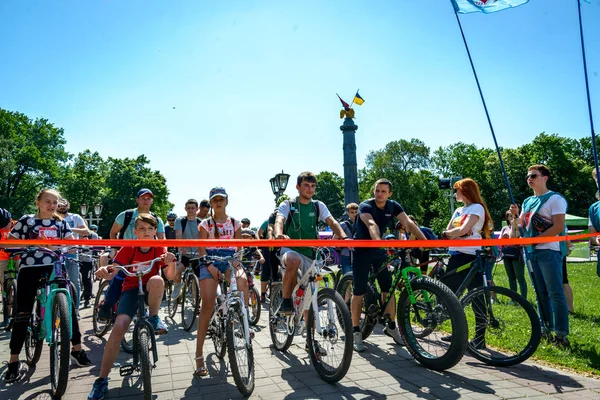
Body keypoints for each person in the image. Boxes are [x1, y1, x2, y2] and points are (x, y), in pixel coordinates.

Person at [4, 189, 91, 384]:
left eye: (55, 202)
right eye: (48, 201)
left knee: (68, 305)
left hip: (55, 267)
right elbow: (11, 242)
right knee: (23, 312)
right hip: (30, 266)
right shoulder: (27, 221)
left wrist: (65, 247)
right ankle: (14, 360)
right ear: (38, 202)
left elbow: (71, 243)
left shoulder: (61, 222)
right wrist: (30, 245)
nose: (51, 205)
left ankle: (76, 348)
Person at [88, 213, 176, 399]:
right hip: (130, 289)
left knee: (158, 279)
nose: (146, 232)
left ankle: (153, 318)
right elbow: (115, 270)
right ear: (135, 231)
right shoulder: (129, 247)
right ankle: (101, 380)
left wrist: (170, 261)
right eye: (142, 229)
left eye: (150, 229)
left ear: (155, 232)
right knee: (119, 327)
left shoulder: (159, 247)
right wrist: (104, 269)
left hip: (150, 290)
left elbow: (170, 276)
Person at [351, 178, 427, 353]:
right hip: (362, 249)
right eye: (377, 190)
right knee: (359, 290)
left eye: (383, 191)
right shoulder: (365, 206)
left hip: (378, 251)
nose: (379, 194)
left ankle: (391, 325)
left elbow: (408, 223)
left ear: (389, 194)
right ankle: (356, 331)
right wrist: (378, 241)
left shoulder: (393, 206)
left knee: (388, 287)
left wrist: (425, 241)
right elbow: (371, 224)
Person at [509, 164, 570, 348]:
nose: (529, 179)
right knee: (539, 292)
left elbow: (558, 227)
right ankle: (545, 328)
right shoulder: (527, 202)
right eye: (528, 176)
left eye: (533, 175)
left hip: (549, 251)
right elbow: (521, 229)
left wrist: (535, 241)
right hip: (531, 253)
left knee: (555, 292)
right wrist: (515, 216)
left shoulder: (555, 199)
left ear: (545, 177)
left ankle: (561, 335)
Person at [274, 172, 348, 316]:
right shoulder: (288, 204)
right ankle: (286, 301)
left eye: (313, 186)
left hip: (311, 253)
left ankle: (310, 335)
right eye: (306, 185)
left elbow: (332, 221)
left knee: (310, 298)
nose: (310, 189)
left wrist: (344, 237)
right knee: (294, 260)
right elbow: (279, 220)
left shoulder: (318, 206)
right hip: (290, 249)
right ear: (298, 187)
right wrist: (278, 234)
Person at [194, 187, 248, 377]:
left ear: (227, 201)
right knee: (207, 304)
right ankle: (199, 354)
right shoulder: (205, 225)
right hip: (210, 260)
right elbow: (201, 250)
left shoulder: (235, 223)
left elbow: (239, 248)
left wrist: (236, 260)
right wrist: (209, 266)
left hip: (229, 259)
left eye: (221, 199)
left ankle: (243, 320)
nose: (218, 202)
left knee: (242, 280)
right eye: (215, 199)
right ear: (211, 203)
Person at [98, 188, 166, 322]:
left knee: (154, 281)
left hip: (146, 255)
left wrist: (162, 254)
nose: (146, 201)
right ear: (137, 200)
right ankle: (107, 305)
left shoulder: (156, 219)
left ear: (152, 201)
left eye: (148, 198)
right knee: (118, 278)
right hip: (127, 254)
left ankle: (151, 312)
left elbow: (162, 240)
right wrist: (116, 248)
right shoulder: (126, 215)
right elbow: (113, 233)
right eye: (143, 198)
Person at [57, 197, 90, 313]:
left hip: (71, 253)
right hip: (55, 254)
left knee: (74, 281)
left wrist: (70, 229)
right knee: (54, 282)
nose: (62, 207)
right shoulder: (53, 218)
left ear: (68, 206)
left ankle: (75, 309)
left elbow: (87, 231)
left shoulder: (75, 217)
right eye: (59, 205)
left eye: (64, 205)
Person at [171, 199, 202, 299]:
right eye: (188, 208)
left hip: (197, 255)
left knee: (198, 278)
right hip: (184, 254)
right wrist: (181, 249)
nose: (190, 210)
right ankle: (177, 285)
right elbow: (178, 236)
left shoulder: (201, 223)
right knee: (175, 270)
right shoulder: (180, 221)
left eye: (193, 208)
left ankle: (196, 301)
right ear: (185, 209)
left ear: (197, 209)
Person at [499, 211, 527, 299]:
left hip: (517, 255)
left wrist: (514, 225)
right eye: (510, 216)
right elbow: (500, 240)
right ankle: (514, 299)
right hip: (506, 255)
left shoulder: (519, 228)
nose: (512, 218)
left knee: (520, 278)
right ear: (507, 218)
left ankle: (523, 299)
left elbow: (513, 238)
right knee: (511, 278)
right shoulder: (504, 228)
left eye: (514, 216)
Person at [256, 208, 280, 303]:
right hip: (268, 246)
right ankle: (262, 294)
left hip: (281, 245)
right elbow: (258, 233)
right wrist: (259, 244)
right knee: (266, 269)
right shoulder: (267, 222)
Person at [0, 208, 14, 329]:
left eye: (6, 225)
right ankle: (7, 313)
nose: (4, 228)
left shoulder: (17, 226)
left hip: (17, 256)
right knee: (5, 285)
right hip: (2, 257)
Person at [338, 203, 358, 276]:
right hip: (346, 254)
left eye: (356, 212)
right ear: (348, 213)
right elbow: (335, 238)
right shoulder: (343, 224)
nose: (354, 214)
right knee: (347, 278)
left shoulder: (361, 224)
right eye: (352, 212)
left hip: (358, 253)